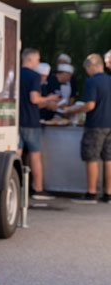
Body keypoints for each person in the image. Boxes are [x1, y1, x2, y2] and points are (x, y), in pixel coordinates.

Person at [65, 54, 111, 204]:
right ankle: (108, 194)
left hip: (95, 124)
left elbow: (90, 105)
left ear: (91, 66)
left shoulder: (92, 82)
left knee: (91, 157)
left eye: (87, 69)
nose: (87, 72)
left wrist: (73, 110)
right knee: (108, 158)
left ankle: (91, 193)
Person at [19, 48, 59, 200]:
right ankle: (38, 189)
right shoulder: (34, 76)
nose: (38, 63)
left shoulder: (14, 73)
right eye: (37, 59)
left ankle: (16, 186)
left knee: (17, 155)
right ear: (30, 59)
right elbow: (34, 99)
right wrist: (49, 99)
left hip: (16, 121)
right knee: (35, 155)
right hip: (31, 122)